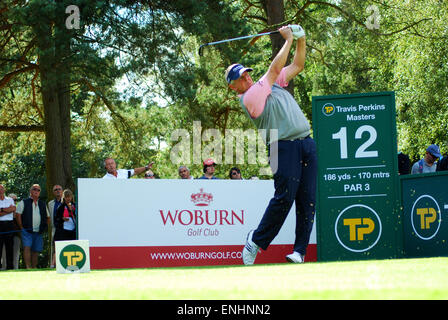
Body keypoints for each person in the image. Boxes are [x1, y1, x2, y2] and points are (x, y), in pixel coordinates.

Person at [226, 25, 316, 264]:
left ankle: (299, 251)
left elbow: (297, 65)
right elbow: (275, 68)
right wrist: (287, 39)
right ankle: (255, 240)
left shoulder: (273, 83)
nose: (246, 76)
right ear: (233, 86)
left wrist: (301, 39)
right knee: (284, 198)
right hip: (280, 147)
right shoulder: (250, 97)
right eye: (240, 77)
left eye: (246, 73)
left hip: (306, 142)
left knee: (307, 199)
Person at [16, 184, 49, 269]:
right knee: (27, 247)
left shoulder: (42, 204)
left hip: (39, 232)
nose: (36, 191)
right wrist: (21, 227)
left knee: (36, 250)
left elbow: (48, 217)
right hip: (26, 231)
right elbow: (18, 215)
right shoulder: (23, 202)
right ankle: (28, 267)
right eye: (34, 189)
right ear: (30, 191)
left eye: (38, 190)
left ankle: (34, 267)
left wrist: (44, 227)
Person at [0, 185, 17, 270]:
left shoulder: (10, 199)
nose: (0, 190)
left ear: (4, 189)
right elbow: (10, 210)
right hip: (0, 225)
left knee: (9, 247)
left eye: (2, 188)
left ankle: (10, 267)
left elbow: (13, 209)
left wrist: (2, 210)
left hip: (9, 225)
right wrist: (7, 210)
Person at [47, 185, 63, 268]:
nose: (57, 191)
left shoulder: (66, 201)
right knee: (54, 247)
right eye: (55, 190)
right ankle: (53, 265)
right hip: (55, 229)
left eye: (59, 189)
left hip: (66, 229)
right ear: (53, 192)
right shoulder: (50, 204)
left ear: (62, 191)